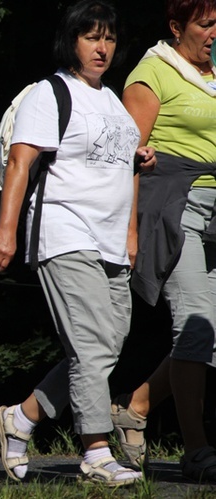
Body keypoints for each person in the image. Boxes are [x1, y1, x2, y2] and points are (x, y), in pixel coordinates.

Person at [0, 0, 156, 486]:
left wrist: (137, 161)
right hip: (65, 232)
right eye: (91, 37)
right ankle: (96, 452)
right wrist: (6, 230)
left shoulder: (112, 102)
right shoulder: (51, 92)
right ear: (71, 41)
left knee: (104, 348)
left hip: (110, 241)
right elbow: (20, 162)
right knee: (89, 347)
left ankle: (19, 419)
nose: (101, 47)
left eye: (108, 38)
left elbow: (111, 161)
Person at [112, 0, 216, 482]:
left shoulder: (214, 74)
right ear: (177, 28)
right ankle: (197, 448)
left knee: (211, 330)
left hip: (214, 212)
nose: (214, 33)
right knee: (194, 327)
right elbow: (126, 158)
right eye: (205, 24)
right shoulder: (152, 72)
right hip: (177, 209)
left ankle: (135, 406)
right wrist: (130, 230)